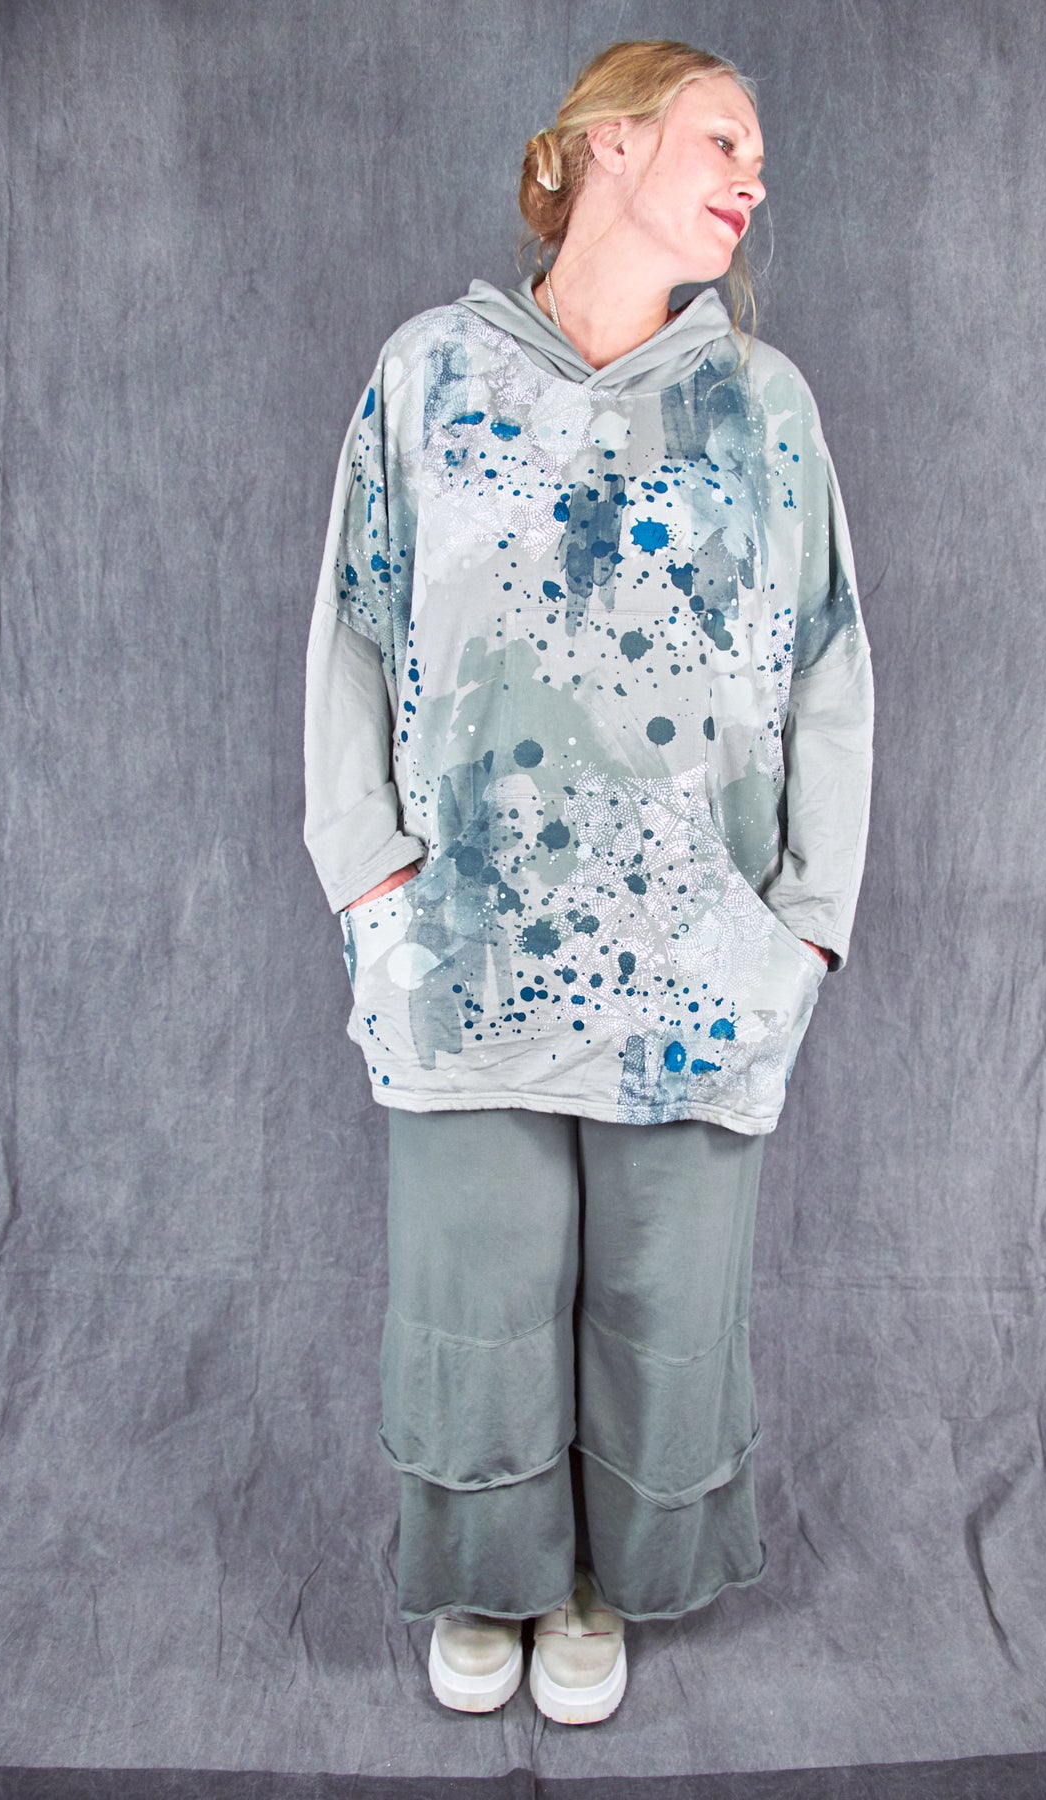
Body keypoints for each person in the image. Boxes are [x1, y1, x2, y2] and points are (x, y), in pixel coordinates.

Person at [302, 38, 874, 1726]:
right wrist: (369, 882)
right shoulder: (426, 376)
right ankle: (493, 1576)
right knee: (474, 1297)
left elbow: (831, 664)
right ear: (609, 141)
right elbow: (353, 630)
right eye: (723, 137)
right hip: (464, 955)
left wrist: (805, 926)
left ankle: (608, 1581)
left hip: (697, 962)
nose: (755, 174)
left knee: (662, 1304)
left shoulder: (763, 407)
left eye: (759, 154)